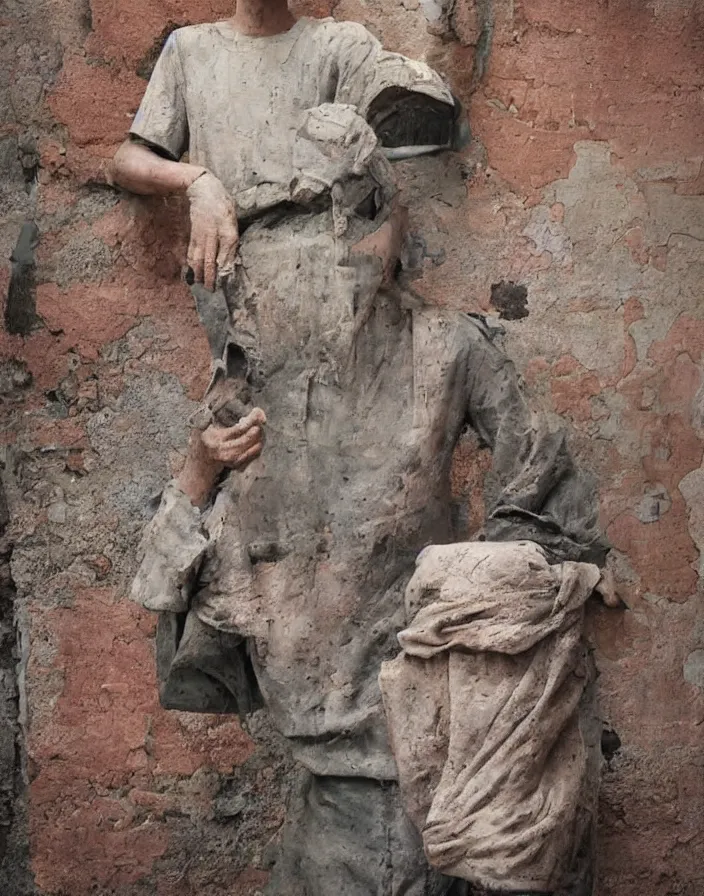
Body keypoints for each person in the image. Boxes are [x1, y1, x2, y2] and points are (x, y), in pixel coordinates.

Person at [110, 3, 611, 894]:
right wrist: (199, 470)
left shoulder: (449, 349)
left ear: (392, 229)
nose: (338, 246)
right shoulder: (244, 401)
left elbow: (551, 495)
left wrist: (473, 597)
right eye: (300, 229)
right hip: (331, 798)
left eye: (363, 214)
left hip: (448, 782)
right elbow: (163, 589)